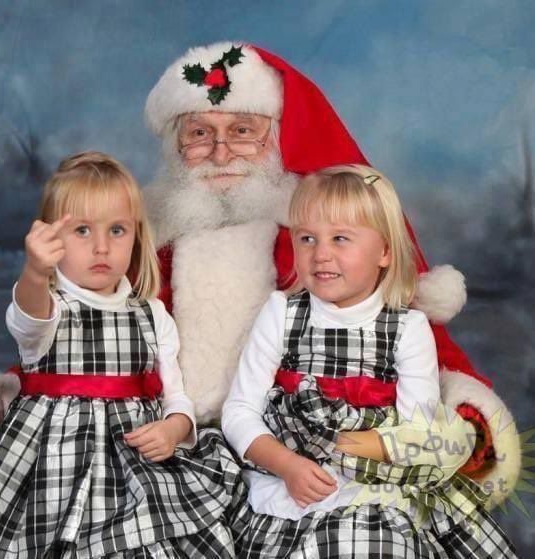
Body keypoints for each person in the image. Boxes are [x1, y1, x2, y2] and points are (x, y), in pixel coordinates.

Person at [0, 42, 519, 512]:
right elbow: (74, 347)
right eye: (199, 133)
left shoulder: (316, 250)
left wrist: (463, 419)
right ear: (176, 147)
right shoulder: (140, 251)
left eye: (243, 131)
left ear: (279, 139)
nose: (220, 152)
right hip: (171, 448)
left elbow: (411, 346)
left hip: (302, 452)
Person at [0, 152, 239, 558]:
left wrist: (174, 428)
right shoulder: (49, 307)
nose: (101, 247)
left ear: (136, 236)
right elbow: (27, 318)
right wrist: (34, 272)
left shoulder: (151, 313)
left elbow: (175, 394)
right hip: (52, 471)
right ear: (52, 240)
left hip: (132, 468)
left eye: (117, 230)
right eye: (82, 230)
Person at [221, 165, 517, 556]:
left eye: (340, 238)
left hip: (375, 485)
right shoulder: (281, 313)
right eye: (307, 238)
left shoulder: (408, 328)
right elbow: (239, 411)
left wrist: (347, 446)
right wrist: (286, 465)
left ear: (384, 252)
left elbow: (417, 431)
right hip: (290, 482)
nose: (320, 254)